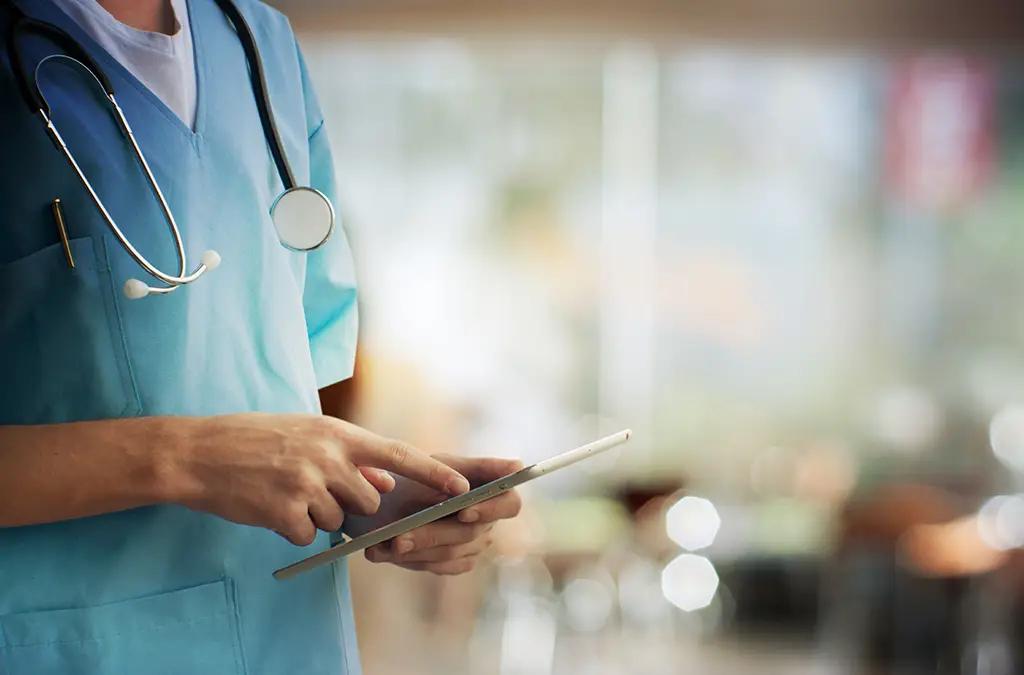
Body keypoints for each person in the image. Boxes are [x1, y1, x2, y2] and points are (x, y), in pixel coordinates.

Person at [0, 0, 523, 673]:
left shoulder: (258, 41)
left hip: (289, 642)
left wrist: (374, 496)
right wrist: (186, 457)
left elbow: (278, 388)